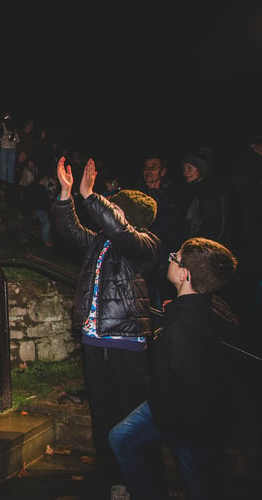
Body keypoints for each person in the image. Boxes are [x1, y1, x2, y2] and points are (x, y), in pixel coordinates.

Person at [54, 156, 161, 500]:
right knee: (103, 415)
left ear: (126, 215)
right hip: (93, 339)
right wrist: (67, 194)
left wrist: (90, 196)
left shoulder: (144, 244)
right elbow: (70, 230)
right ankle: (114, 478)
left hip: (125, 343)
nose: (107, 211)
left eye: (114, 207)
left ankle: (148, 481)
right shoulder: (100, 243)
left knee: (133, 416)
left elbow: (119, 229)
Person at [109, 237, 238, 500]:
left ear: (183, 274)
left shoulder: (184, 324)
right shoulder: (197, 308)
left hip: (191, 424)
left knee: (201, 489)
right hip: (170, 409)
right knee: (120, 438)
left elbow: (189, 381)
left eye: (175, 256)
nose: (169, 258)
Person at [129, 153, 183, 322]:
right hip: (140, 256)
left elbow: (178, 227)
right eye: (146, 167)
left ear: (163, 171)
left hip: (164, 257)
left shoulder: (173, 196)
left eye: (154, 167)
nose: (149, 171)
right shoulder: (135, 194)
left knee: (159, 304)